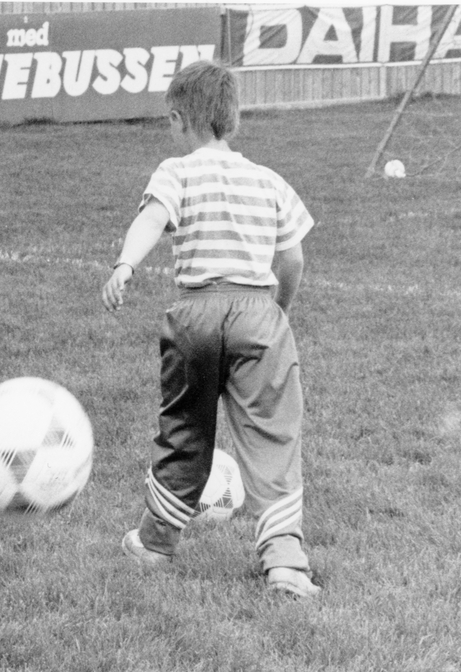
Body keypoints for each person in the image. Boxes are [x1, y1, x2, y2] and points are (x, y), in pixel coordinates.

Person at [101, 60, 320, 599]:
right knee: (272, 434)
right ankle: (286, 563)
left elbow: (153, 218)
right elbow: (291, 257)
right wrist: (277, 311)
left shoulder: (175, 172)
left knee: (184, 428)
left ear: (179, 119)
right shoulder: (269, 180)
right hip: (257, 314)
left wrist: (125, 265)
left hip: (194, 314)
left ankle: (155, 543)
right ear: (233, 119)